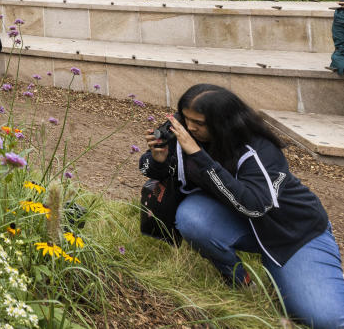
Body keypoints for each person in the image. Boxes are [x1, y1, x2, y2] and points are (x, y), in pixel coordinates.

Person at [141, 84, 344, 328]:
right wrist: (158, 160)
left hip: (292, 234)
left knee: (327, 320)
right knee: (192, 218)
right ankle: (241, 280)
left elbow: (254, 207)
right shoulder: (187, 135)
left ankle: (303, 268)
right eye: (185, 118)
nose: (190, 127)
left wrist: (198, 155)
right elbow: (149, 169)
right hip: (239, 222)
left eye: (199, 122)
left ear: (222, 122)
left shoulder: (259, 149)